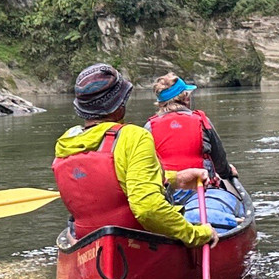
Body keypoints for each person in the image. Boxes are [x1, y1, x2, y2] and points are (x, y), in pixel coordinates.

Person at [52, 63, 218, 248]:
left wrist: (175, 178)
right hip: (136, 242)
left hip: (87, 241)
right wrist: (197, 234)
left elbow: (117, 179)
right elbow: (148, 209)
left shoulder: (64, 144)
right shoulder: (134, 137)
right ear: (120, 104)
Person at [146, 72, 242, 228]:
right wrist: (227, 173)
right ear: (186, 98)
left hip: (166, 193)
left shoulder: (148, 128)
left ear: (160, 103)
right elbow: (219, 159)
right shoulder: (202, 121)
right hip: (201, 191)